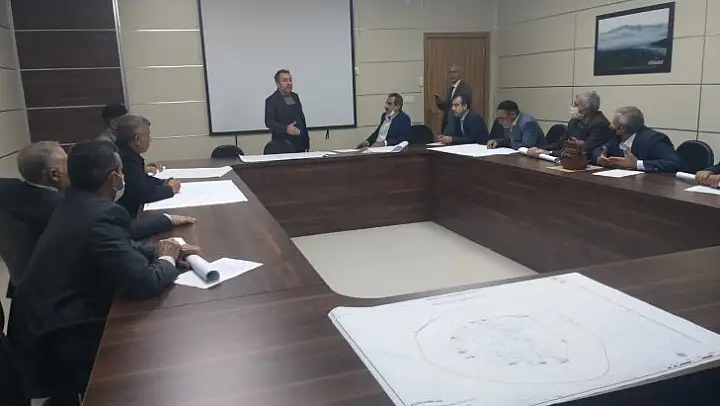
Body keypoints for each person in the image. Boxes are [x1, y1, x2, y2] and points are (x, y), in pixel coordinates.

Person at [7, 141, 200, 405]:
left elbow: (115, 245)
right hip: (62, 330)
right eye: (121, 172)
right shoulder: (102, 212)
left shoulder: (74, 201)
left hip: (38, 320)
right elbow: (144, 283)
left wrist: (158, 251)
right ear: (114, 178)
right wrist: (167, 259)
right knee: (162, 339)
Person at [115, 115, 181, 217]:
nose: (150, 139)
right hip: (127, 216)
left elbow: (143, 180)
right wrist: (169, 189)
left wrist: (163, 182)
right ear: (137, 139)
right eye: (148, 136)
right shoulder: (126, 160)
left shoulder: (126, 153)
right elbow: (143, 193)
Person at [592, 106, 681, 173]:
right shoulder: (615, 137)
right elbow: (599, 148)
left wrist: (637, 164)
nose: (611, 126)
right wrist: (600, 157)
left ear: (622, 128)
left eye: (614, 123)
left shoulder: (653, 140)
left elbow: (673, 163)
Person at [527, 91, 612, 159]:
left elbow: (585, 149)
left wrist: (550, 153)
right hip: (570, 160)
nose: (573, 107)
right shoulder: (574, 121)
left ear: (587, 107)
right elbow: (560, 143)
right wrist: (541, 149)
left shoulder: (601, 124)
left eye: (576, 105)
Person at [264, 69, 310, 153]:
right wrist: (286, 129)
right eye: (285, 80)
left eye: (290, 80)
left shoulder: (295, 97)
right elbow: (269, 122)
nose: (289, 83)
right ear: (278, 84)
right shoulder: (271, 100)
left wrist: (306, 140)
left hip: (300, 144)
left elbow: (301, 119)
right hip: (282, 145)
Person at [433, 65, 472, 135]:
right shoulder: (450, 89)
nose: (452, 74)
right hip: (447, 126)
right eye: (450, 72)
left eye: (454, 72)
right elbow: (449, 107)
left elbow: (464, 107)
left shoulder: (465, 88)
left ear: (460, 73)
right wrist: (440, 103)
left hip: (457, 126)